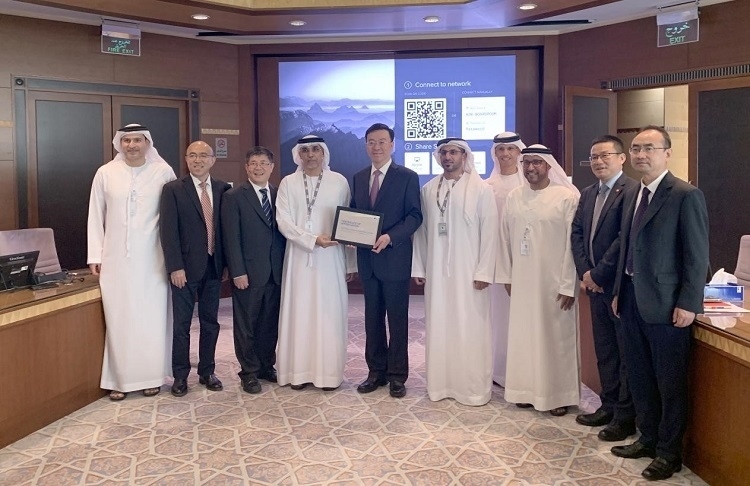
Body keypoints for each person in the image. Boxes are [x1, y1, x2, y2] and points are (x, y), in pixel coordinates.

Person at [610, 126, 709, 481]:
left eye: (649, 148)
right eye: (636, 148)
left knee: (669, 383)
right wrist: (619, 291)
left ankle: (669, 454)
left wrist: (689, 302)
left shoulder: (685, 195)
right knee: (639, 377)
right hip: (631, 300)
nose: (641, 154)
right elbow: (626, 247)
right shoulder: (633, 193)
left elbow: (696, 256)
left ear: (667, 152)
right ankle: (647, 439)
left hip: (667, 306)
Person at [87, 124, 176, 401]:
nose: (132, 145)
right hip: (116, 260)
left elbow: (173, 217)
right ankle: (119, 380)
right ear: (119, 143)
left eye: (138, 140)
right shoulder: (105, 173)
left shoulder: (163, 172)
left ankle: (152, 377)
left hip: (154, 260)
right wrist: (95, 255)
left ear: (147, 143)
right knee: (119, 318)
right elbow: (95, 215)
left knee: (151, 318)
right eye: (127, 141)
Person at [412, 138, 498, 406]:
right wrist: (420, 266)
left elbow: (490, 232)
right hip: (437, 273)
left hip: (470, 273)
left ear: (464, 156)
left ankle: (472, 389)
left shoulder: (481, 189)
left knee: (470, 327)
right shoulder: (428, 189)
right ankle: (441, 385)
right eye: (443, 153)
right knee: (439, 325)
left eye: (453, 152)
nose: (448, 157)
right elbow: (422, 232)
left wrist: (484, 271)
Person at [497, 144, 580, 416]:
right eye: (527, 163)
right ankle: (524, 391)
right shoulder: (514, 197)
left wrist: (568, 284)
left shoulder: (566, 198)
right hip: (522, 281)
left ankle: (557, 396)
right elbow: (504, 239)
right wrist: (507, 276)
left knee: (554, 338)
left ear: (548, 166)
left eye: (537, 162)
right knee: (524, 336)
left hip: (553, 283)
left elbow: (572, 246)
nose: (531, 167)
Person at [275, 135, 357, 391]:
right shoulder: (288, 183)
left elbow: (349, 222)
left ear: (324, 154)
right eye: (305, 150)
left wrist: (350, 264)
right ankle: (298, 373)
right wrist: (311, 240)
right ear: (298, 154)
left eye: (315, 150)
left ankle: (328, 375)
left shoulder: (339, 182)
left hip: (331, 259)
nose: (310, 154)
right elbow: (283, 221)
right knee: (299, 313)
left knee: (329, 314)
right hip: (298, 258)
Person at [571, 135, 639, 440]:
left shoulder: (632, 191)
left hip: (618, 287)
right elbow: (576, 233)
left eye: (605, 155)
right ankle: (607, 406)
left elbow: (624, 238)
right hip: (594, 286)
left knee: (625, 355)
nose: (598, 161)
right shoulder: (588, 193)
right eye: (594, 157)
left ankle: (625, 417)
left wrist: (598, 274)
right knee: (605, 351)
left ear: (621, 158)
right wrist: (585, 272)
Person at [351, 123, 422, 398]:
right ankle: (375, 372)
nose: (376, 146)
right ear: (365, 145)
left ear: (392, 144)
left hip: (395, 259)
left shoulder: (407, 177)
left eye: (382, 141)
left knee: (397, 319)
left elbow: (415, 216)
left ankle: (397, 376)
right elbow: (355, 213)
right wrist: (350, 233)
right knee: (372, 319)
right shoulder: (358, 177)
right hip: (368, 261)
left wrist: (391, 237)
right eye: (371, 142)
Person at [160, 141, 231, 397]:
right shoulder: (173, 189)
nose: (197, 160)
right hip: (185, 269)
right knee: (182, 324)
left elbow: (226, 230)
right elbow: (168, 232)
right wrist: (175, 266)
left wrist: (226, 264)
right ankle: (180, 376)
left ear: (212, 160)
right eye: (192, 155)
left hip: (214, 266)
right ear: (186, 159)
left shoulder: (224, 189)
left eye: (203, 155)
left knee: (210, 322)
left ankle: (207, 371)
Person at [221, 146, 286, 394]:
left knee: (269, 322)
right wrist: (237, 271)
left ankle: (266, 366)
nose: (258, 168)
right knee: (246, 324)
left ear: (271, 167)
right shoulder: (234, 196)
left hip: (276, 272)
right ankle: (248, 372)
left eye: (263, 163)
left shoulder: (280, 194)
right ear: (246, 167)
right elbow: (231, 237)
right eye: (254, 164)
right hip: (247, 273)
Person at [486, 131, 526, 387]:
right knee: (497, 315)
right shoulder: (487, 186)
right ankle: (498, 370)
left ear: (519, 152)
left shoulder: (528, 184)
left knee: (522, 315)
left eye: (510, 149)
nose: (505, 154)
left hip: (524, 259)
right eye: (500, 149)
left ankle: (521, 368)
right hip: (494, 259)